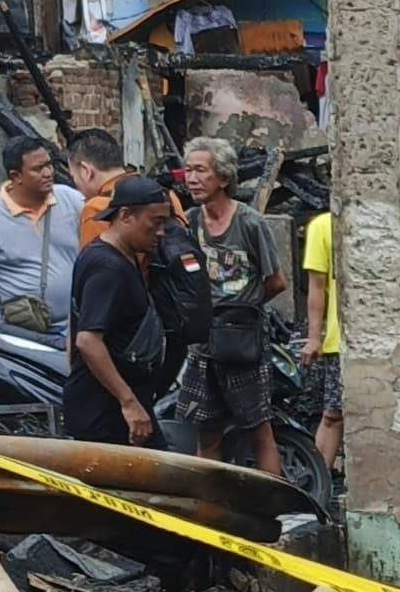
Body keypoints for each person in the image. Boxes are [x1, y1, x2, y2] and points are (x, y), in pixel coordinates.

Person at [178, 135, 289, 480]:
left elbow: (276, 281)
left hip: (242, 340)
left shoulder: (250, 223)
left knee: (259, 428)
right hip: (203, 342)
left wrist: (240, 309)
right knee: (205, 429)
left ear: (223, 178)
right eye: (188, 170)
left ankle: (276, 509)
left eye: (201, 170)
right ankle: (211, 511)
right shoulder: (190, 221)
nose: (192, 178)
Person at [64, 173, 174, 446]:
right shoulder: (107, 267)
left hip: (122, 404)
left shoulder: (123, 257)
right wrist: (129, 403)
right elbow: (88, 340)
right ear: (125, 216)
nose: (161, 232)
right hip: (107, 413)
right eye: (156, 222)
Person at [0, 134, 77, 333]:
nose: (48, 173)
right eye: (38, 169)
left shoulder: (72, 201)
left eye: (49, 165)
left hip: (69, 328)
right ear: (16, 176)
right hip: (13, 329)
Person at [299, 207, 346, 473]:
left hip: (381, 339)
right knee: (333, 414)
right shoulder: (323, 226)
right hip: (339, 340)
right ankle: (319, 484)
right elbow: (316, 287)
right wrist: (314, 337)